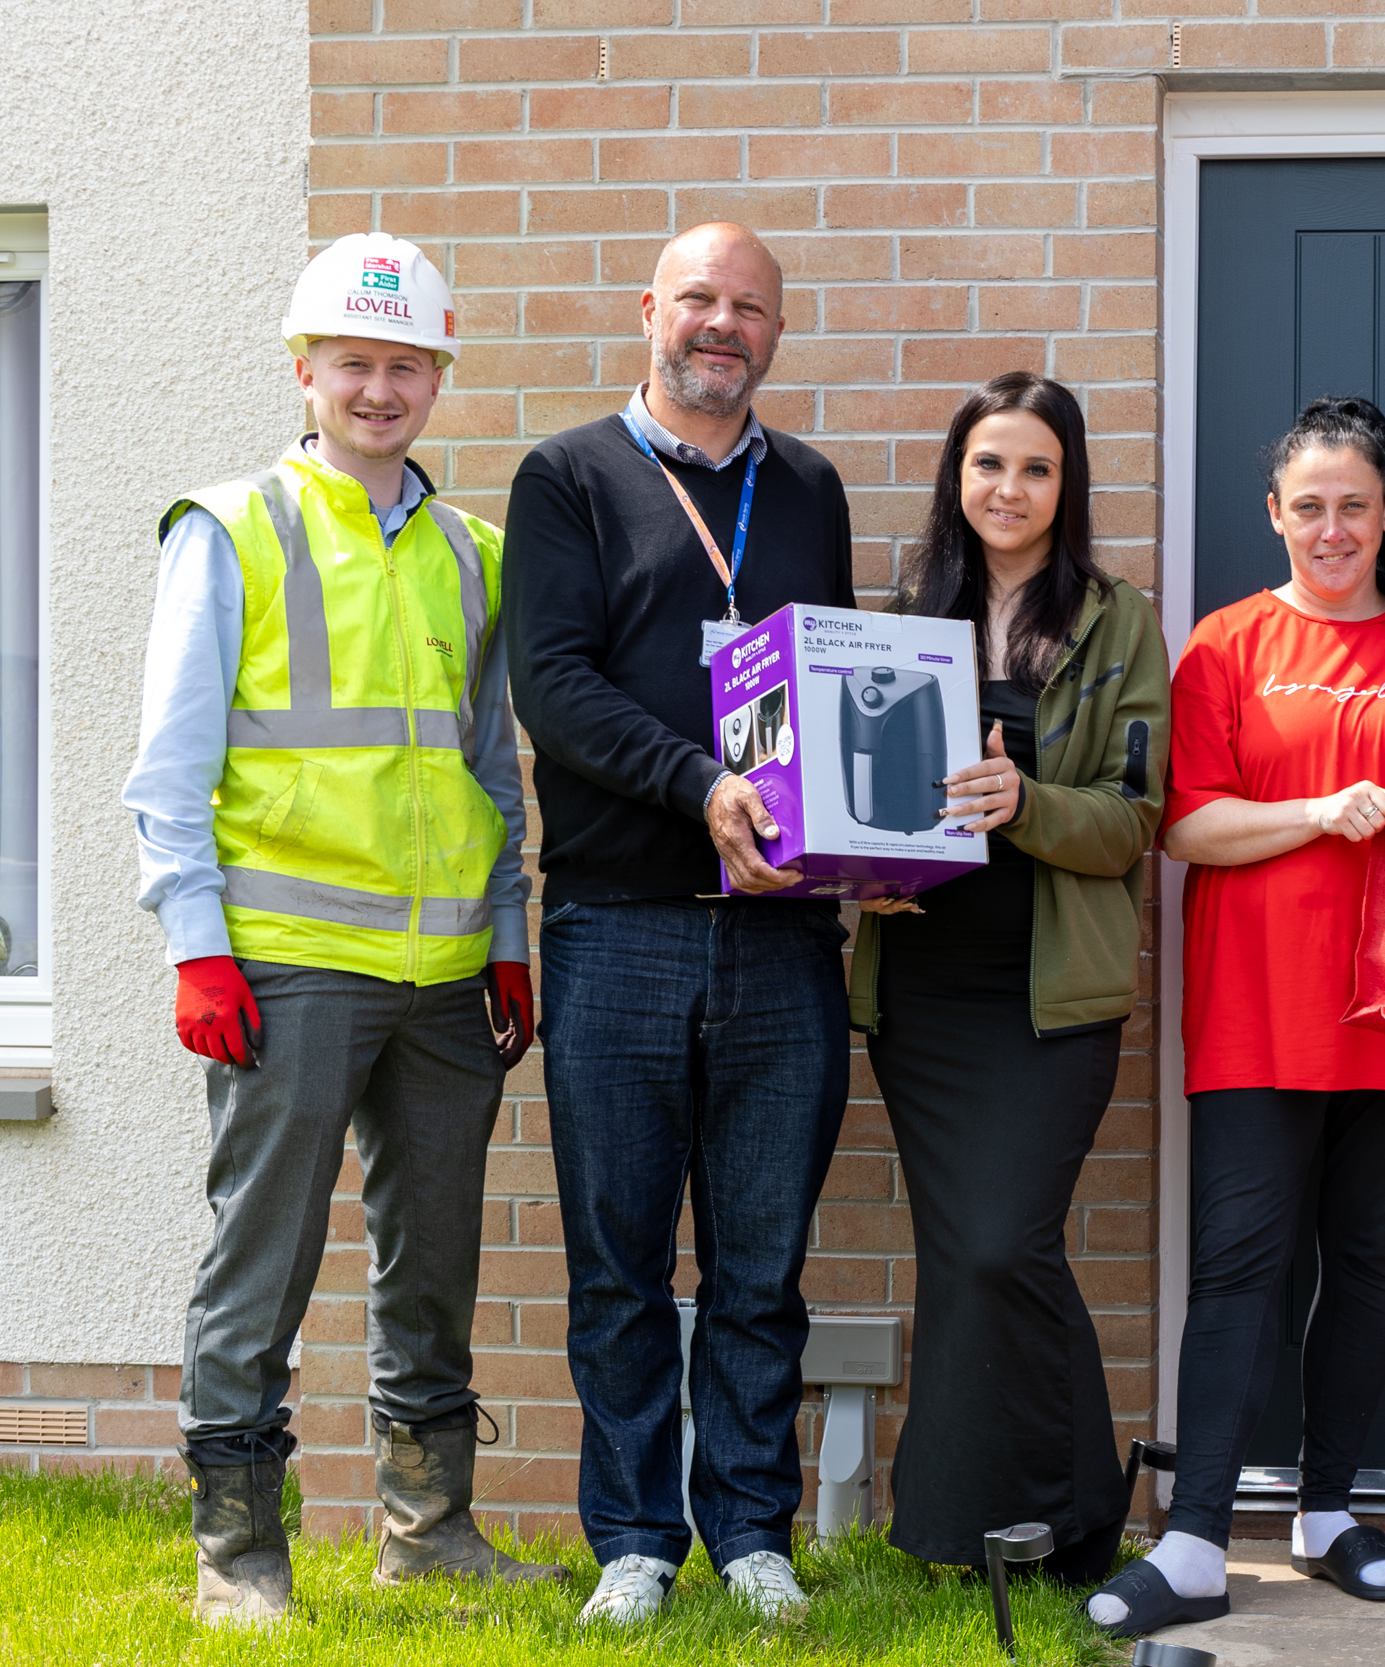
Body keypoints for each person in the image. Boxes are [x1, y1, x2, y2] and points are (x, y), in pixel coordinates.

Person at [124, 232, 559, 1624]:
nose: (380, 389)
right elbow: (169, 766)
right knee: (264, 1257)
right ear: (303, 371)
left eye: (407, 366)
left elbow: (491, 768)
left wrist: (507, 931)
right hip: (288, 967)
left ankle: (428, 1530)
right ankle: (239, 1551)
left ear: (439, 377)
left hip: (444, 981)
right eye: (354, 364)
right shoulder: (231, 526)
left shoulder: (475, 555)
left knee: (433, 1260)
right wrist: (197, 941)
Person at [501, 222, 857, 1627]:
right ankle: (638, 1536)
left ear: (776, 331)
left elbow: (822, 692)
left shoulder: (812, 490)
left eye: (750, 308)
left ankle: (752, 1527)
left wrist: (859, 844)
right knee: (621, 1258)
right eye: (700, 300)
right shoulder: (568, 477)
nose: (723, 324)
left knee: (764, 1260)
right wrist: (703, 785)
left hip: (781, 942)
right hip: (619, 928)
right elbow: (557, 690)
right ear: (650, 309)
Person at [1085, 397, 1385, 1638]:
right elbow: (1186, 825)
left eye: (1353, 504)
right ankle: (1198, 1535)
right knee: (1242, 1268)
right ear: (1274, 513)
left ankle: (1326, 1510)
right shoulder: (1223, 647)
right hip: (1259, 1009)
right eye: (1306, 505)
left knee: (1370, 1264)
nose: (1330, 527)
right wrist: (1321, 813)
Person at [849, 372, 1170, 1587]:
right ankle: (957, 1531)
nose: (1010, 489)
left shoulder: (1113, 619)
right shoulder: (900, 611)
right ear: (957, 474)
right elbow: (860, 788)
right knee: (960, 1255)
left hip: (1045, 996)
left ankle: (1082, 1510)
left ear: (1065, 484)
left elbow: (1135, 819)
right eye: (989, 463)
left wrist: (1025, 803)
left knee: (1000, 1246)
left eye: (1036, 467)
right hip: (920, 985)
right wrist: (857, 867)